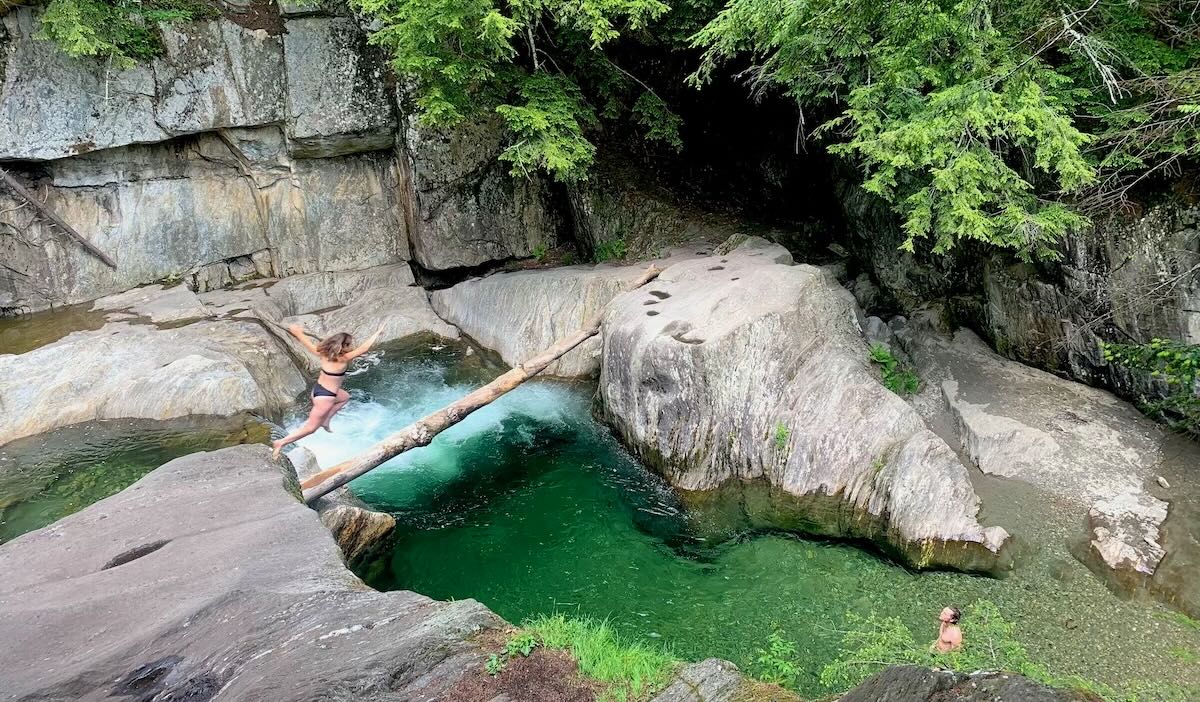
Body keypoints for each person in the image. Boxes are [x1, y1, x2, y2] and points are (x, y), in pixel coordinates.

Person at [272, 323, 384, 459]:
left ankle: (326, 420)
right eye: (349, 345)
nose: (352, 347)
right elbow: (365, 348)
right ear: (343, 347)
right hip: (326, 398)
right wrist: (377, 332)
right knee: (310, 428)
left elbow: (302, 339)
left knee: (345, 397)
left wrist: (297, 332)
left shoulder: (322, 353)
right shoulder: (343, 359)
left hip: (318, 390)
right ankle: (281, 442)